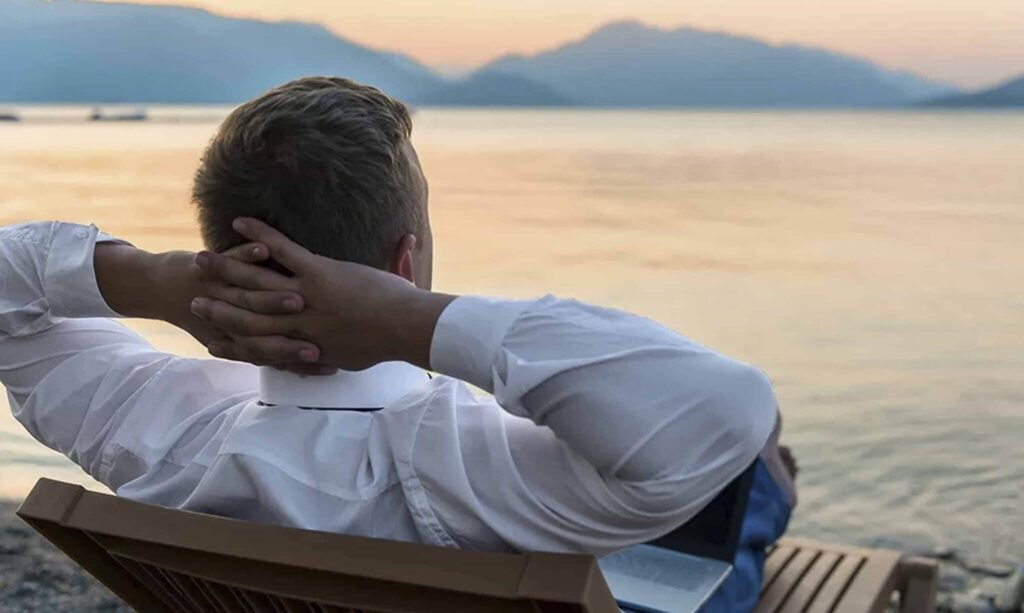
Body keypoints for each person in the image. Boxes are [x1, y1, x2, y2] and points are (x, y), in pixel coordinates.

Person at [0, 76, 790, 609]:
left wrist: (155, 279)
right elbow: (729, 407)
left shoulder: (154, 434)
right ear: (402, 264)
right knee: (748, 480)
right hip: (549, 553)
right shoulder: (479, 478)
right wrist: (419, 323)